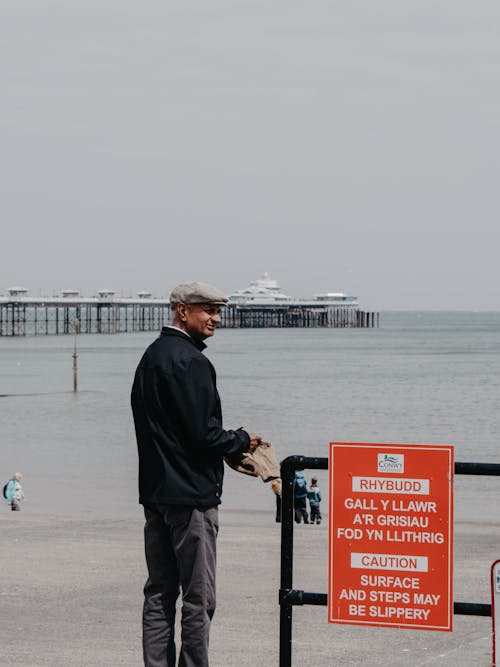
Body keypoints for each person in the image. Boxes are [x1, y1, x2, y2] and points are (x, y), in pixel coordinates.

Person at [131, 281, 262, 667]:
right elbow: (202, 434)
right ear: (181, 311)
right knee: (199, 597)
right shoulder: (192, 362)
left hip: (155, 494)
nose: (216, 319)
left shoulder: (151, 357)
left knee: (158, 591)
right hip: (191, 499)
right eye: (207, 310)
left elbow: (160, 429)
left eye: (218, 310)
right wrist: (240, 439)